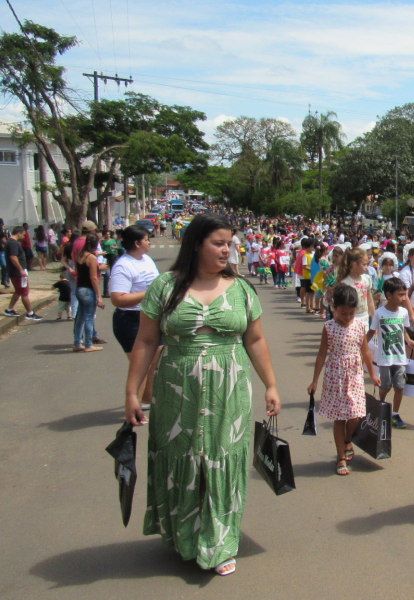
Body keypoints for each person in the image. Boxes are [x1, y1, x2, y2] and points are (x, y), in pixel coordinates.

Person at [124, 213, 281, 576]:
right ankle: (185, 535)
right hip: (176, 391)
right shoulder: (165, 287)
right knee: (181, 455)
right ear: (196, 244)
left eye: (230, 243)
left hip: (230, 390)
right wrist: (132, 391)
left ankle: (220, 541)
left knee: (222, 457)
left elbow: (255, 340)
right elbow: (146, 340)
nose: (227, 250)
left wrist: (271, 385)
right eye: (219, 243)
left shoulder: (242, 289)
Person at [308, 285, 381, 476]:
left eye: (351, 312)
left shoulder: (359, 326)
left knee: (356, 415)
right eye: (343, 313)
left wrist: (372, 374)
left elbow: (365, 351)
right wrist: (315, 380)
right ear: (334, 308)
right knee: (339, 419)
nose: (347, 316)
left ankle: (348, 440)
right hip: (335, 377)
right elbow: (322, 353)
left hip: (355, 375)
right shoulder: (329, 327)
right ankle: (340, 457)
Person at [109, 225, 161, 405]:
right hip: (130, 320)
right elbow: (117, 299)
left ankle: (148, 401)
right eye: (147, 239)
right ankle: (134, 407)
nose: (149, 243)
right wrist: (150, 293)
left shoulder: (146, 259)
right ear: (137, 243)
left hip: (151, 316)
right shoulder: (123, 266)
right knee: (141, 367)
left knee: (158, 362)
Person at [367, 277, 414, 426]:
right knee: (385, 386)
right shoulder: (379, 313)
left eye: (405, 294)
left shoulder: (403, 312)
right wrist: (361, 346)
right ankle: (381, 407)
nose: (404, 298)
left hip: (400, 358)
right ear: (389, 295)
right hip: (385, 359)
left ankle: (395, 414)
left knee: (400, 387)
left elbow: (403, 330)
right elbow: (371, 332)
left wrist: (409, 341)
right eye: (400, 295)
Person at [3, 226, 43, 321]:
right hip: (17, 272)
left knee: (18, 291)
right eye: (23, 235)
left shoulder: (11, 242)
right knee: (24, 292)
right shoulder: (13, 243)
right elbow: (13, 257)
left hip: (16, 271)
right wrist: (21, 270)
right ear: (19, 233)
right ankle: (30, 313)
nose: (24, 237)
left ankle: (10, 309)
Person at [335, 248, 376, 324]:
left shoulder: (367, 279)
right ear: (354, 264)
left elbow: (370, 300)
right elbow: (339, 307)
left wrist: (374, 320)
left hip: (365, 318)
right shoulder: (344, 283)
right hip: (350, 319)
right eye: (364, 264)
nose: (366, 267)